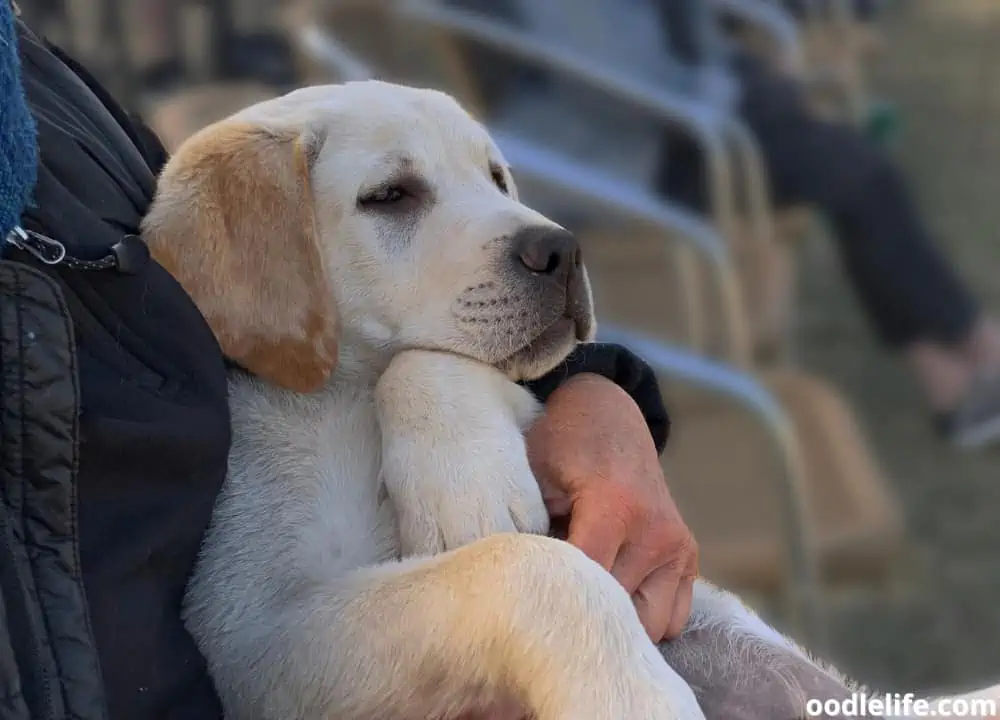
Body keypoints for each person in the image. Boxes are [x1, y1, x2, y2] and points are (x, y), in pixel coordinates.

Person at [0, 3, 697, 718]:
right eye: (392, 196)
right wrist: (517, 607)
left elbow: (231, 283)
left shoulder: (39, 81)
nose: (538, 238)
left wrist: (591, 394)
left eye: (496, 178)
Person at [654, 0, 1000, 449]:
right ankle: (976, 346)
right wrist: (755, 90)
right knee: (858, 173)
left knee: (854, 169)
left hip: (690, 111)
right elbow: (616, 70)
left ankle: (949, 378)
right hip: (652, 145)